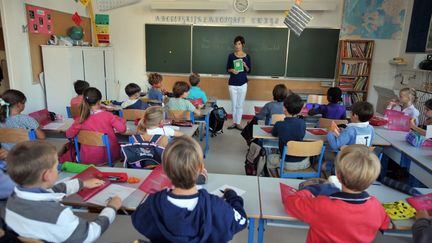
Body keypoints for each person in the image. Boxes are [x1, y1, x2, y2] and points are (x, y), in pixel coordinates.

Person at [131, 136, 247, 242]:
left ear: (165, 170)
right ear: (201, 168)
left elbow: (138, 220)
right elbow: (241, 221)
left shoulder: (153, 203)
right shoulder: (216, 206)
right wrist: (233, 197)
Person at [4, 140, 122, 242]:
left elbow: (53, 191)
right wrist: (111, 208)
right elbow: (89, 234)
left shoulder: (13, 199)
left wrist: (83, 183)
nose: (57, 169)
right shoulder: (59, 215)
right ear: (47, 175)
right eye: (56, 166)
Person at [282, 144, 390, 242]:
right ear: (372, 180)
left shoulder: (322, 205)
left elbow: (290, 203)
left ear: (337, 175)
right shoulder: (376, 206)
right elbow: (385, 224)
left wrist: (306, 192)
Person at [66, 87, 126, 164]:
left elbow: (69, 134)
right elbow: (122, 129)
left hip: (87, 158)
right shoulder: (108, 115)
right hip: (109, 156)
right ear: (99, 101)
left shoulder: (80, 119)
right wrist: (120, 120)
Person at [272, 93, 309, 170]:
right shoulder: (302, 123)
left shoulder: (279, 124)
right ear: (300, 110)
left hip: (287, 163)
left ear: (284, 108)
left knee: (269, 159)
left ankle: (276, 177)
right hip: (305, 162)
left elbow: (274, 134)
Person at [226, 36, 251, 130]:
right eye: (236, 44)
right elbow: (227, 69)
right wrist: (232, 70)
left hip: (243, 83)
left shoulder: (247, 56)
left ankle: (238, 123)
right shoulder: (231, 56)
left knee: (240, 105)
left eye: (239, 44)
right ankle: (234, 122)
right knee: (234, 104)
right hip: (232, 84)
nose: (237, 46)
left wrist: (245, 65)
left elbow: (249, 70)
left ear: (243, 45)